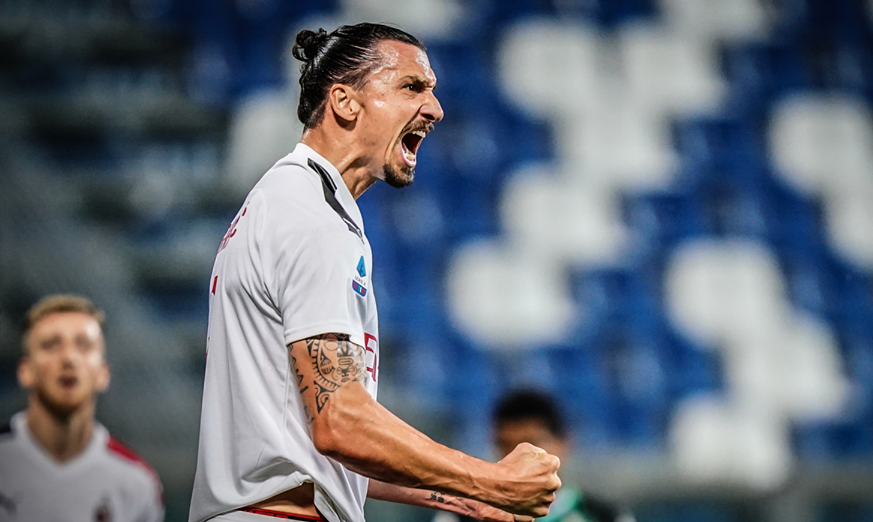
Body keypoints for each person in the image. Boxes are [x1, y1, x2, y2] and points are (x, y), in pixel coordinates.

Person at [188, 22, 561, 522]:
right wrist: (491, 479)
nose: (435, 108)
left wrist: (466, 498)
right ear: (345, 102)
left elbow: (319, 447)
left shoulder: (288, 201)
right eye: (412, 86)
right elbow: (340, 423)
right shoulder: (310, 215)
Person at [0, 294, 164, 522]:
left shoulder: (137, 482)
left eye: (84, 346)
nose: (68, 358)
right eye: (51, 345)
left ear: (104, 373)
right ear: (25, 371)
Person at [435, 390, 635, 522]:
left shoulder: (607, 516)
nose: (518, 457)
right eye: (506, 445)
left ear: (564, 442)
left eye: (533, 444)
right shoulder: (461, 515)